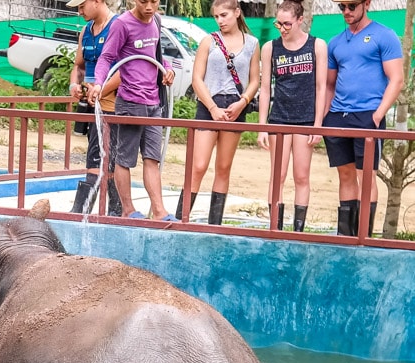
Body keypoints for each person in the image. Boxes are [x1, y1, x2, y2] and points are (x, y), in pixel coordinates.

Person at [88, 0, 175, 220]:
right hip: (130, 101)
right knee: (124, 159)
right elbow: (107, 57)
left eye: (153, 1)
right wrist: (99, 83)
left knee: (152, 158)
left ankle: (159, 211)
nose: (148, 6)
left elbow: (156, 55)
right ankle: (128, 209)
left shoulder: (156, 20)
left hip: (154, 102)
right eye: (143, 1)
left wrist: (168, 69)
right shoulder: (123, 24)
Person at [323, 0, 403, 236]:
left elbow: (396, 79)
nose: (346, 11)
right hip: (338, 115)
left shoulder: (384, 35)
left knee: (366, 177)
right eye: (342, 7)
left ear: (366, 3)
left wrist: (377, 115)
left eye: (351, 5)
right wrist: (324, 118)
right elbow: (329, 84)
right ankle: (345, 236)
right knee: (345, 175)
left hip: (368, 115)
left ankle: (363, 238)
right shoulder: (335, 41)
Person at [176, 0, 259, 225]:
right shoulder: (208, 41)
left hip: (235, 106)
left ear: (237, 13)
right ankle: (180, 219)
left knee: (223, 167)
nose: (220, 20)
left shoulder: (252, 43)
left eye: (224, 15)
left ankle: (215, 223)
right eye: (216, 17)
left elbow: (254, 80)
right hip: (209, 104)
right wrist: (212, 107)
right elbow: (196, 78)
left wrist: (243, 102)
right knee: (199, 165)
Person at [257, 0, 326, 232]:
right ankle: (274, 227)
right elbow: (265, 88)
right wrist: (262, 126)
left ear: (300, 20)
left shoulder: (317, 46)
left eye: (287, 24)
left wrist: (318, 124)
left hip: (306, 120)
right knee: (278, 175)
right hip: (279, 119)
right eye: (279, 23)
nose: (283, 28)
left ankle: (299, 230)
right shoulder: (270, 48)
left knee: (301, 176)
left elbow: (321, 87)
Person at [67, 0, 122, 216]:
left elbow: (124, 70)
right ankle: (95, 210)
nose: (79, 11)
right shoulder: (86, 30)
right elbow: (78, 66)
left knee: (105, 157)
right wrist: (74, 84)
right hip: (91, 102)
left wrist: (101, 91)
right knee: (97, 154)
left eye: (82, 6)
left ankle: (95, 211)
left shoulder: (117, 26)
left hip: (110, 101)